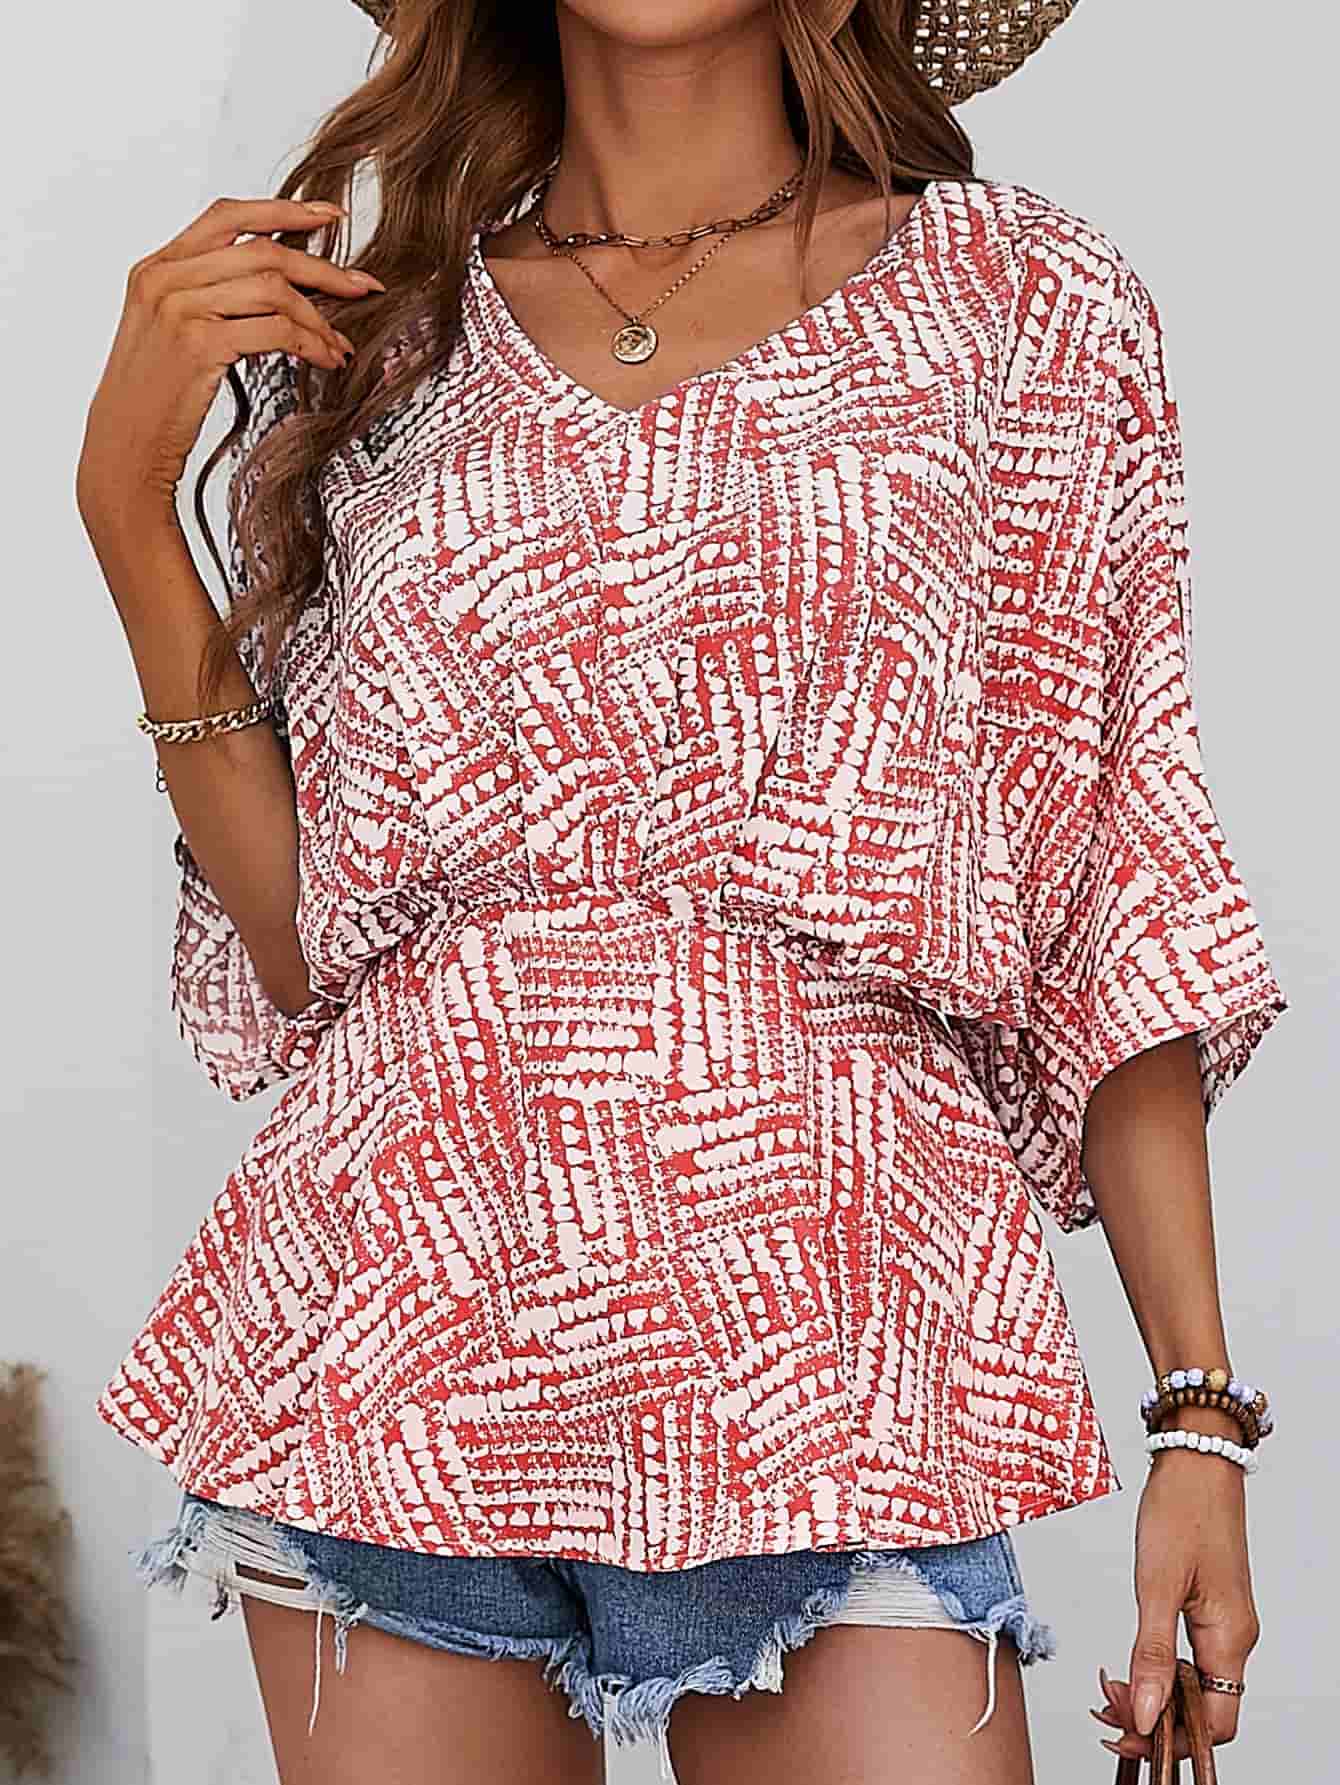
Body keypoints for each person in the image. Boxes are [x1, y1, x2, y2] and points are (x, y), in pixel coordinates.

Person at [78, 4, 1288, 1781]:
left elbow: (1116, 873)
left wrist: (1198, 1412)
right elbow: (306, 942)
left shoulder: (1025, 304)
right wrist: (129, 508)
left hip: (841, 1325)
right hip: (396, 1325)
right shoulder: (383, 338)